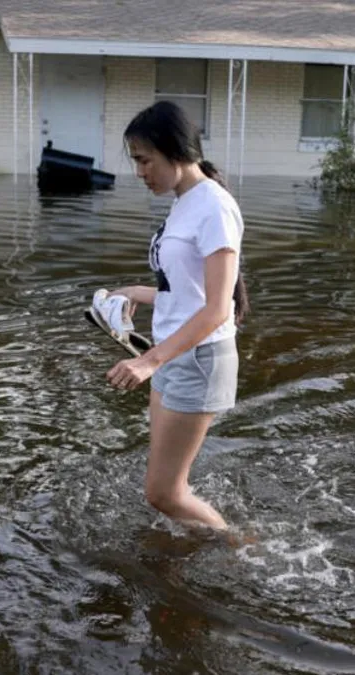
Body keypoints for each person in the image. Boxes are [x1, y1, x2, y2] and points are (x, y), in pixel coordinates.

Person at [106, 100, 249, 532]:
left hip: (197, 359)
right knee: (165, 487)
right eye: (136, 161)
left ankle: (240, 546)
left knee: (163, 493)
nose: (139, 172)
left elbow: (216, 308)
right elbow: (186, 293)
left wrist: (148, 360)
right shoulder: (183, 202)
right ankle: (184, 543)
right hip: (171, 355)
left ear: (175, 152)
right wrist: (136, 293)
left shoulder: (214, 207)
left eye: (144, 160)